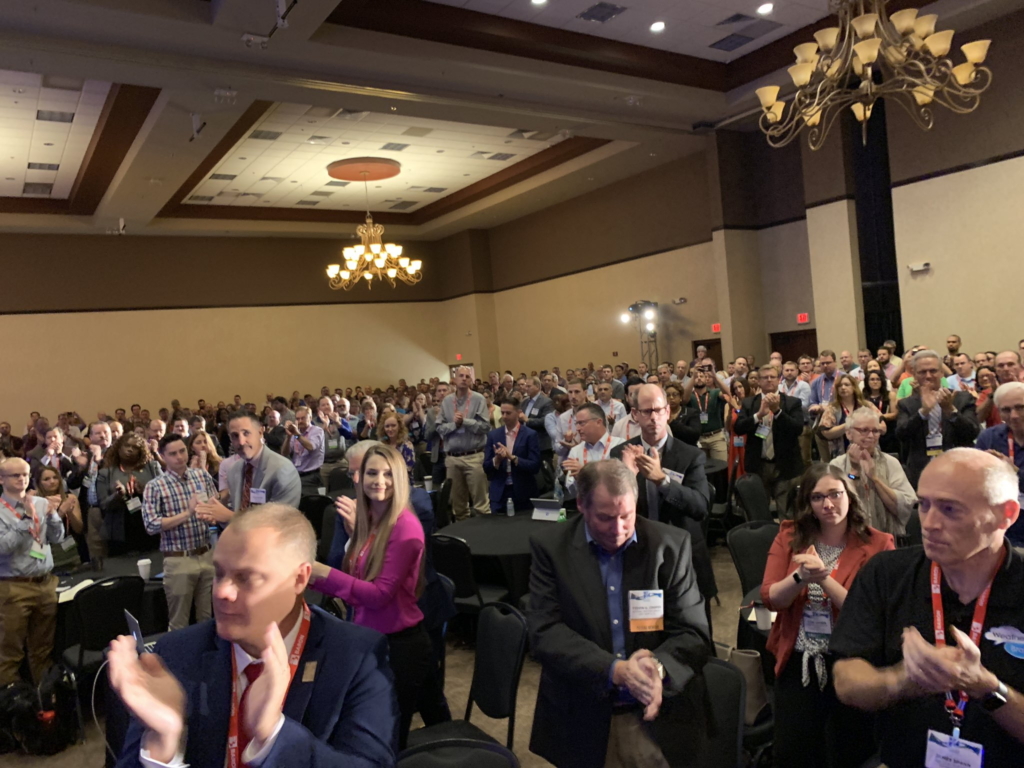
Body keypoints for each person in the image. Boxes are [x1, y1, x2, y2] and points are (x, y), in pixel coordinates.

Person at [109, 503, 397, 768]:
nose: (221, 592)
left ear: (299, 579)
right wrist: (164, 744)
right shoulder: (177, 653)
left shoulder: (356, 657)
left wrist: (274, 735)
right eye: (219, 573)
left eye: (246, 578)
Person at [831, 450, 1024, 768]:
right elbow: (846, 681)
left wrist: (985, 687)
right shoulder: (888, 573)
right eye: (924, 504)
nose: (929, 523)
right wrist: (904, 680)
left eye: (950, 509)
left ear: (1006, 515)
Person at [527, 460, 711, 768]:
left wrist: (657, 666)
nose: (619, 529)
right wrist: (614, 669)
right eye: (605, 518)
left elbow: (694, 633)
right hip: (581, 715)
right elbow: (545, 631)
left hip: (655, 717)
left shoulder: (669, 546)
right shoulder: (551, 549)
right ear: (582, 506)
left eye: (627, 515)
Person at [761, 464, 894, 768]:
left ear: (849, 494)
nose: (828, 504)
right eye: (818, 497)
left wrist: (823, 578)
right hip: (800, 662)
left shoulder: (877, 544)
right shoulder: (790, 536)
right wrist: (799, 578)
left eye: (835, 494)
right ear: (808, 503)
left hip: (851, 665)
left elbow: (869, 614)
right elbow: (770, 599)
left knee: (849, 753)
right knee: (795, 754)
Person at [310, 444, 430, 749]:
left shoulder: (405, 528)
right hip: (375, 639)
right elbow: (356, 583)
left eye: (389, 474)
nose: (380, 480)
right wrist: (311, 579)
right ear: (359, 477)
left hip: (400, 646)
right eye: (372, 473)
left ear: (401, 479)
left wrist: (322, 573)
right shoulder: (370, 522)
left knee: (391, 739)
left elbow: (378, 596)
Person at [610, 384, 717, 636]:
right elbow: (613, 513)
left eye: (659, 410)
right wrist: (626, 475)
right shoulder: (621, 453)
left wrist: (662, 481)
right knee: (648, 636)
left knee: (695, 635)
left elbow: (700, 507)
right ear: (635, 414)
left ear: (668, 411)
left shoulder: (690, 455)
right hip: (640, 558)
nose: (654, 418)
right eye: (647, 412)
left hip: (685, 558)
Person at [142, 434, 218, 632]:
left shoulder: (201, 476)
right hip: (179, 559)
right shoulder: (155, 486)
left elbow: (214, 505)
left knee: (207, 618)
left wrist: (211, 514)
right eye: (173, 454)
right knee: (179, 622)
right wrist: (187, 513)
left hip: (206, 553)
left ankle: (206, 660)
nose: (179, 457)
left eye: (182, 451)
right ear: (163, 456)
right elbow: (151, 525)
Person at [0, 457, 64, 686]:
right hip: (14, 587)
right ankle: (12, 710)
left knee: (43, 650)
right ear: (1, 479)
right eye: (15, 475)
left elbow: (57, 538)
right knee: (10, 654)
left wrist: (53, 515)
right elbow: (3, 548)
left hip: (45, 583)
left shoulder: (39, 502)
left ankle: (44, 704)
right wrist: (25, 518)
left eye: (25, 474)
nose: (22, 479)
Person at [199, 412, 302, 524]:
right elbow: (237, 513)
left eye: (246, 433)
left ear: (260, 432)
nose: (241, 442)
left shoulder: (283, 470)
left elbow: (279, 522)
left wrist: (230, 517)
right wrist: (214, 514)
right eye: (235, 436)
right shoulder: (234, 470)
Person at [896, 350, 979, 488]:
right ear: (914, 375)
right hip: (922, 469)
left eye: (933, 371)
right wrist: (923, 412)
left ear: (941, 373)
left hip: (957, 467)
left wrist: (950, 410)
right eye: (922, 372)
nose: (928, 376)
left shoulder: (961, 398)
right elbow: (901, 435)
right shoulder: (907, 404)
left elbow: (972, 432)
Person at [830, 407, 916, 538]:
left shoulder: (891, 463)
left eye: (875, 431)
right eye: (864, 430)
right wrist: (854, 471)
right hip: (849, 539)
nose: (871, 436)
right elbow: (836, 505)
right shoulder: (837, 465)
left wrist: (874, 478)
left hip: (888, 537)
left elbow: (904, 506)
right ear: (849, 434)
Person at [735, 365, 805, 515]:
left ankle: (786, 539)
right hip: (758, 464)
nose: (769, 380)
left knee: (787, 513)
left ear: (779, 379)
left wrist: (777, 411)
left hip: (785, 465)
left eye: (772, 377)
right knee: (758, 511)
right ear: (758, 381)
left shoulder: (792, 402)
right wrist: (758, 415)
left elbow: (797, 429)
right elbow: (738, 428)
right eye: (765, 377)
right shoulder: (749, 403)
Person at [436, 366, 490, 521]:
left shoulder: (478, 399)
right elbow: (439, 428)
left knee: (481, 505)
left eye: (467, 376)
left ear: (471, 380)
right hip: (452, 458)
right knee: (458, 506)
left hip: (473, 456)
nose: (464, 379)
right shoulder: (447, 401)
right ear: (455, 379)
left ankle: (484, 536)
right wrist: (455, 425)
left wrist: (465, 422)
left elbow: (486, 427)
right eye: (461, 376)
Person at [97, 433, 163, 554]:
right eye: (127, 446)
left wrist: (145, 492)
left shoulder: (152, 467)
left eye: (135, 447)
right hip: (119, 530)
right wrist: (117, 495)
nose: (130, 449)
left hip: (150, 528)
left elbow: (165, 496)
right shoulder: (105, 473)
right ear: (119, 448)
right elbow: (103, 504)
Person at [975, 382, 1024, 546]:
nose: (1014, 416)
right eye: (1006, 410)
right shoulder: (989, 438)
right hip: (1003, 526)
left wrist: (1013, 472)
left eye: (1020, 407)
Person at [484, 398, 541, 513]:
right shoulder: (493, 435)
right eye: (502, 413)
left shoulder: (530, 435)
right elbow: (486, 467)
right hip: (499, 493)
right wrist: (497, 460)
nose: (504, 416)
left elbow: (535, 466)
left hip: (523, 492)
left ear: (518, 413)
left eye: (508, 413)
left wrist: (513, 458)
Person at [562, 403, 624, 499]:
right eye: (576, 423)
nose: (577, 428)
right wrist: (578, 479)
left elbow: (622, 484)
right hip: (587, 508)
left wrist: (585, 475)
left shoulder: (619, 445)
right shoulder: (576, 451)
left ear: (598, 422)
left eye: (582, 423)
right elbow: (572, 493)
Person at [34, 465, 83, 572]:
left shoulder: (69, 498)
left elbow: (79, 529)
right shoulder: (35, 502)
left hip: (68, 551)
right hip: (44, 554)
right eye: (46, 479)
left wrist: (69, 512)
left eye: (55, 477)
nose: (52, 481)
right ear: (39, 483)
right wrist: (60, 512)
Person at [818, 373, 870, 460]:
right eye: (840, 386)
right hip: (841, 454)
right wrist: (849, 424)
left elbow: (882, 427)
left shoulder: (866, 405)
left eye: (846, 385)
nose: (843, 388)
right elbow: (826, 433)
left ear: (854, 387)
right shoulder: (832, 408)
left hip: (866, 452)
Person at [686, 368, 728, 463]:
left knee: (722, 466)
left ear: (706, 379)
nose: (699, 378)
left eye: (702, 376)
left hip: (716, 436)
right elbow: (684, 400)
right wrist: (692, 378)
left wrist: (715, 377)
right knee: (702, 469)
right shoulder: (690, 395)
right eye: (696, 377)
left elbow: (728, 393)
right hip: (698, 438)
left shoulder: (715, 392)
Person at [281, 407, 325, 493]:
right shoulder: (295, 433)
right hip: (297, 474)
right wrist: (289, 437)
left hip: (312, 476)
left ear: (310, 418)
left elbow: (310, 447)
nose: (300, 421)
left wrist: (296, 434)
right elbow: (284, 453)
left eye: (303, 418)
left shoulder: (317, 431)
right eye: (298, 419)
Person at [779, 360, 813, 467]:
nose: (789, 372)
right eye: (787, 370)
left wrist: (786, 406)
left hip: (801, 426)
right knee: (787, 459)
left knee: (804, 459)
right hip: (783, 427)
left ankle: (807, 482)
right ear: (782, 372)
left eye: (792, 370)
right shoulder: (779, 387)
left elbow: (804, 406)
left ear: (797, 371)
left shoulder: (804, 385)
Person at [862, 368, 899, 455]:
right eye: (872, 379)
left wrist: (880, 417)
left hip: (888, 431)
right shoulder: (862, 397)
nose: (875, 382)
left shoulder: (890, 395)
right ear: (867, 382)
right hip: (868, 430)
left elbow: (895, 414)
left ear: (882, 381)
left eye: (878, 379)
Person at [520, 376, 554, 461]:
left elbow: (546, 421)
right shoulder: (524, 401)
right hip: (527, 442)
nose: (526, 388)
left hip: (541, 444)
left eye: (529, 386)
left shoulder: (547, 402)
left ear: (538, 387)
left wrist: (528, 420)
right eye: (525, 386)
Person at [725, 379, 747, 483]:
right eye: (735, 388)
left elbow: (745, 420)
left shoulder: (751, 402)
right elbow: (727, 427)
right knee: (735, 472)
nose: (738, 390)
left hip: (747, 440)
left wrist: (736, 408)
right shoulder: (730, 404)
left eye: (740, 386)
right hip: (735, 440)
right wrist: (730, 410)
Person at [664, 382, 700, 447]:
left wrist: (672, 422)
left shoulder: (691, 413)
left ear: (680, 397)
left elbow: (694, 435)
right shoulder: (661, 414)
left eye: (675, 394)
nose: (671, 398)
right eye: (668, 395)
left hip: (688, 449)